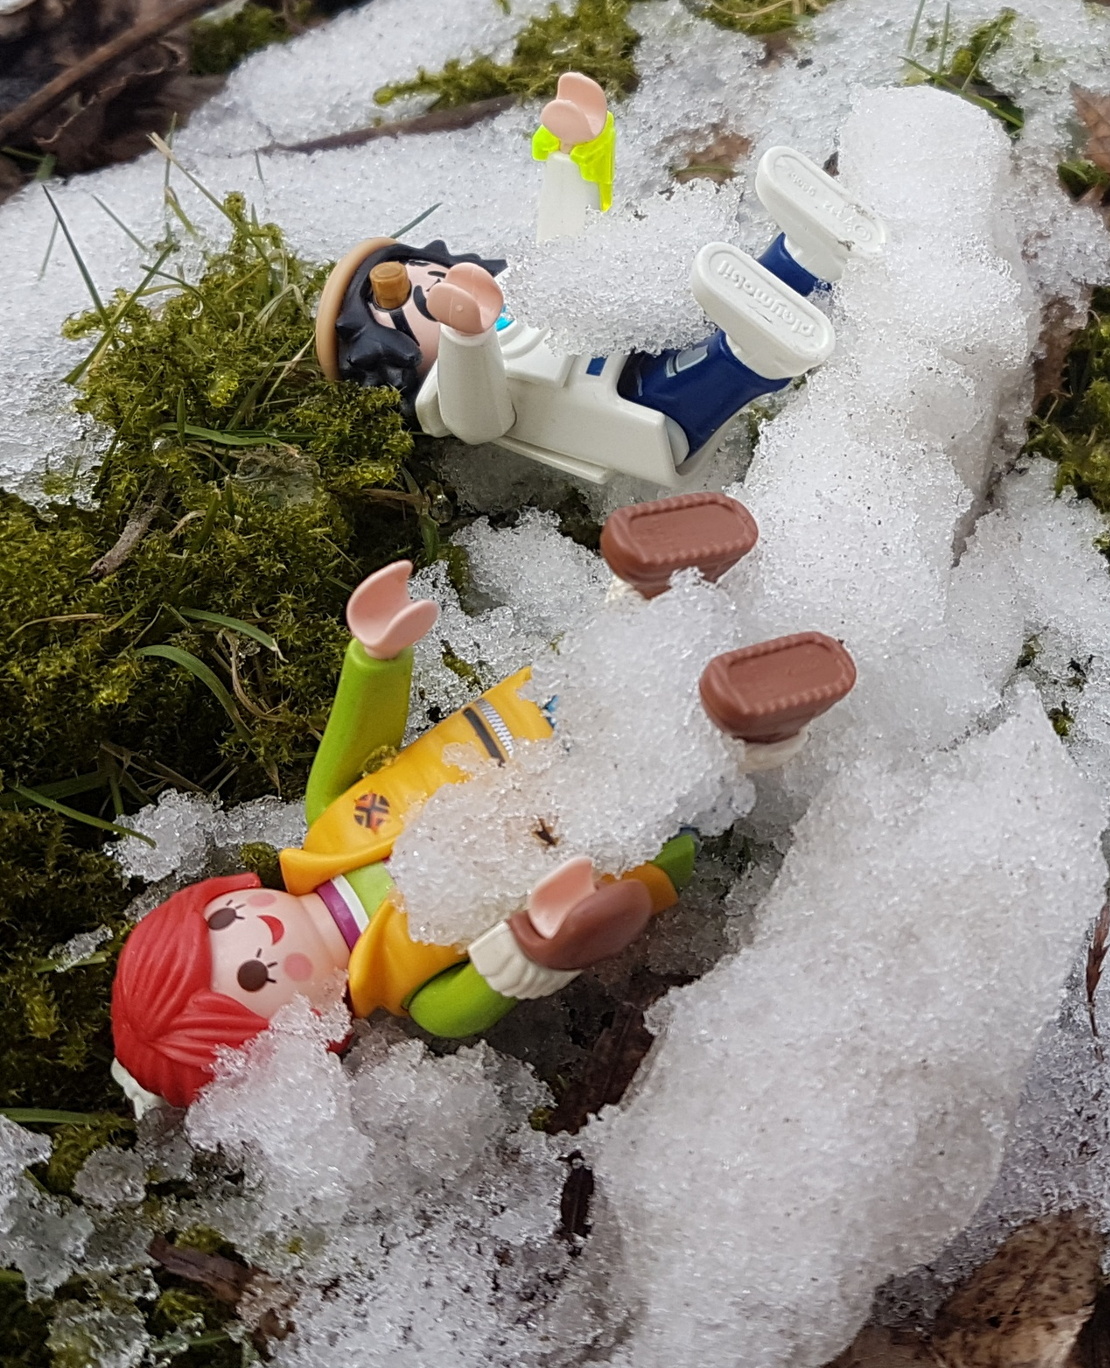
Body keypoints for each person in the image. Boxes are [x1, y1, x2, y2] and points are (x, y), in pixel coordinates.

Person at [110, 493, 857, 1110]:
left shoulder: (327, 822)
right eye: (254, 978)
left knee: (598, 671)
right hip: (599, 827)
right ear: (303, 1039)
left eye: (225, 923)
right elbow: (505, 972)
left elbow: (360, 742)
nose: (261, 936)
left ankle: (651, 596)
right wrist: (544, 942)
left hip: (526, 720)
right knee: (667, 782)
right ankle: (746, 730)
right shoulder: (423, 998)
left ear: (220, 896)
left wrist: (375, 656)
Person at [314, 74, 886, 488]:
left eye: (428, 274)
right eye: (415, 308)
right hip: (630, 410)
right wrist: (466, 335)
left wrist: (576, 157)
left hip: (626, 335)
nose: (432, 286)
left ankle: (806, 257)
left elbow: (567, 243)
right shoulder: (452, 393)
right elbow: (483, 421)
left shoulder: (517, 286)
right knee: (706, 361)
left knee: (721, 305)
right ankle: (756, 359)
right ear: (395, 362)